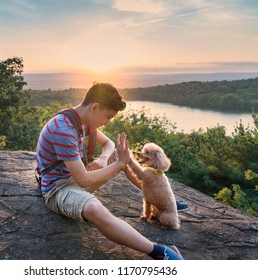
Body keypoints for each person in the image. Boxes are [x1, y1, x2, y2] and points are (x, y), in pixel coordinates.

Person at [35, 82, 184, 260]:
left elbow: (109, 144)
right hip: (57, 189)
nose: (106, 122)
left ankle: (158, 199)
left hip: (75, 178)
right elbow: (83, 180)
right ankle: (160, 252)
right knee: (94, 209)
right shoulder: (63, 129)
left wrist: (104, 159)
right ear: (95, 107)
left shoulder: (81, 121)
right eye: (108, 116)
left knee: (116, 153)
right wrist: (119, 163)